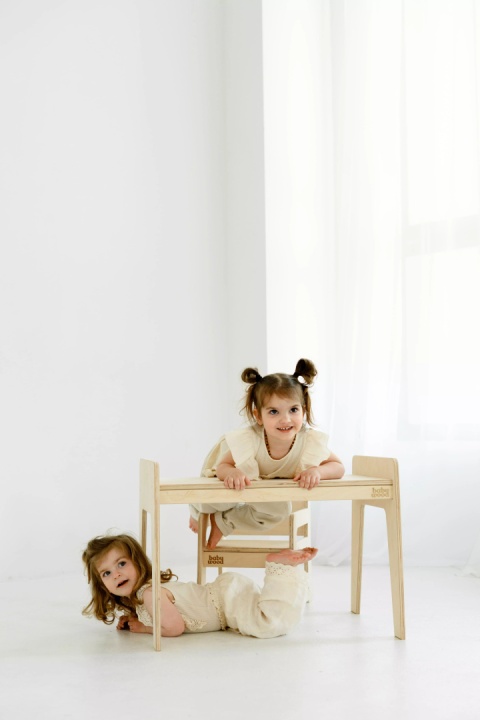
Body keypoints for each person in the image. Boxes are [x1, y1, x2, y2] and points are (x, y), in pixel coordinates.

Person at [189, 358, 344, 548]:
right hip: (232, 475)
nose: (285, 419)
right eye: (273, 412)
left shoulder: (308, 441)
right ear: (258, 416)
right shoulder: (250, 440)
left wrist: (318, 471)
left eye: (293, 410)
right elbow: (223, 465)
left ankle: (222, 522)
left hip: (259, 485)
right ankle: (196, 511)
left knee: (280, 509)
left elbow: (338, 466)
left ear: (303, 411)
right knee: (216, 501)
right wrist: (232, 472)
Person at [82, 533, 318, 639]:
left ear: (138, 561)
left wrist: (144, 628)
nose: (116, 574)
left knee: (268, 624)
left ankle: (280, 568)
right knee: (262, 612)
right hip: (225, 595)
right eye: (107, 573)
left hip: (225, 603)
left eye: (122, 563)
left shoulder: (151, 594)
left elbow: (174, 627)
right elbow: (159, 615)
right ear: (102, 584)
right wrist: (134, 617)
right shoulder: (144, 595)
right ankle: (288, 581)